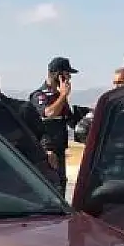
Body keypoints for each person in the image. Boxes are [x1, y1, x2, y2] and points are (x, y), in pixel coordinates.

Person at [29, 57, 91, 195]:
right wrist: (63, 95)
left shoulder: (59, 97)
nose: (69, 78)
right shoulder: (40, 95)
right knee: (50, 191)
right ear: (58, 75)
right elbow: (49, 113)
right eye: (67, 74)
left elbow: (71, 120)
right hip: (47, 154)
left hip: (60, 152)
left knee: (61, 187)